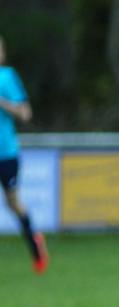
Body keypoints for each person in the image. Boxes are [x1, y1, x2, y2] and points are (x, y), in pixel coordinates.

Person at [0, 35, 47, 273]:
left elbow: (25, 114)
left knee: (13, 202)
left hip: (5, 152)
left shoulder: (7, 77)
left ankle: (35, 245)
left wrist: (3, 103)